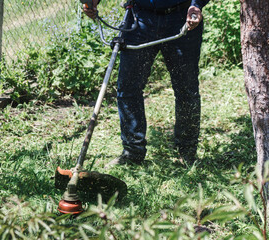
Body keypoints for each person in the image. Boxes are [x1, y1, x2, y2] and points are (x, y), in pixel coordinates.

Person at [84, 0, 210, 165]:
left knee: (186, 88)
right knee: (128, 87)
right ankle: (132, 152)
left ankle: (187, 152)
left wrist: (197, 4)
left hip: (182, 16)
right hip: (140, 19)